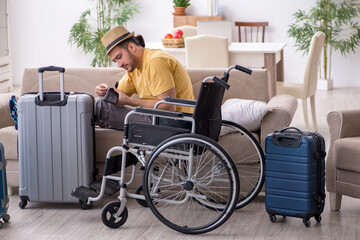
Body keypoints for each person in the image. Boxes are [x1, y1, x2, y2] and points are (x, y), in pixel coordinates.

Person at [95, 26, 195, 130]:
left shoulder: (155, 62)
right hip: (160, 119)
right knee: (99, 106)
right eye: (115, 61)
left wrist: (130, 101)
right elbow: (118, 96)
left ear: (131, 47)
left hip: (175, 122)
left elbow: (168, 107)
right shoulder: (134, 68)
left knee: (99, 106)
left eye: (119, 57)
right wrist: (105, 91)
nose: (119, 65)